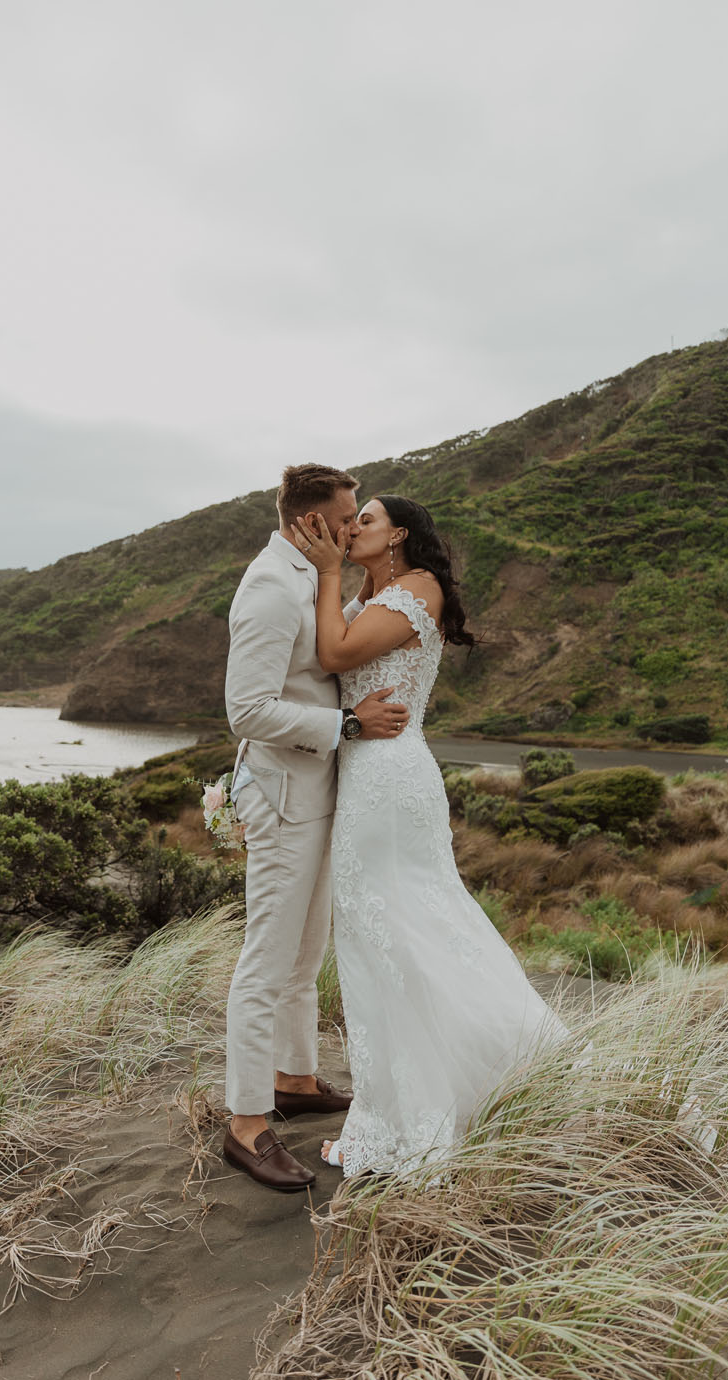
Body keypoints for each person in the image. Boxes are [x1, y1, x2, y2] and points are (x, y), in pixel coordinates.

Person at [291, 495, 568, 1177]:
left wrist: (329, 573)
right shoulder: (376, 592)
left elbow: (333, 652)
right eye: (351, 521)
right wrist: (345, 578)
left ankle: (424, 1113)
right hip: (364, 776)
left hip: (389, 780)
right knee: (384, 938)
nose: (352, 529)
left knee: (403, 933)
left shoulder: (420, 588)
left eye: (367, 521)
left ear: (400, 536)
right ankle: (403, 1107)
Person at [222, 464, 411, 1192]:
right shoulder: (272, 589)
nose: (354, 524)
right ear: (308, 522)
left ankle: (294, 1079)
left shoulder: (316, 577)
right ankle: (246, 1123)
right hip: (282, 798)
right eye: (345, 515)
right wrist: (348, 725)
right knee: (267, 960)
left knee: (305, 953)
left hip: (321, 790)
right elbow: (247, 710)